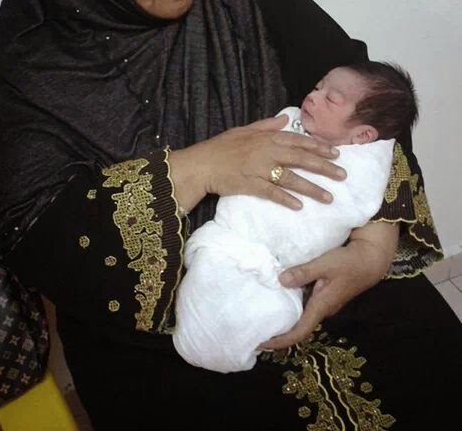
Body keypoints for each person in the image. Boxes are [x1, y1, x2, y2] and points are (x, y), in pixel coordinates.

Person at [0, 0, 461, 429]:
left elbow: (374, 107)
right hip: (164, 330)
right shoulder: (35, 69)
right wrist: (198, 168)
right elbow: (29, 230)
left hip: (328, 265)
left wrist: (371, 252)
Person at [172, 61, 418, 373]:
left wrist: (372, 254)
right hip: (230, 239)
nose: (313, 96)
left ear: (363, 135)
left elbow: (364, 204)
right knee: (209, 282)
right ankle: (203, 339)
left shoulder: (365, 167)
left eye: (331, 99)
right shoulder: (289, 121)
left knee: (278, 310)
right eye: (317, 87)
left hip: (290, 272)